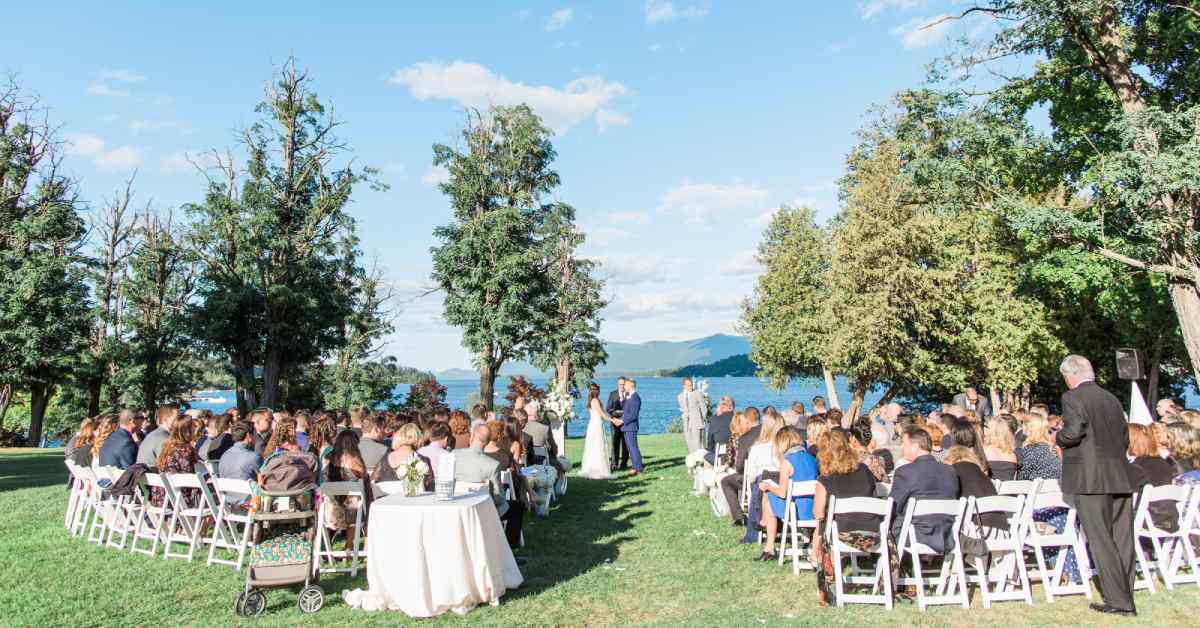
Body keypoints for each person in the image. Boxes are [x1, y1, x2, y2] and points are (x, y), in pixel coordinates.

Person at [1055, 355, 1137, 616]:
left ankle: (1118, 601)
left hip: (1090, 478)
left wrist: (1058, 435)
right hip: (1119, 474)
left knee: (1101, 539)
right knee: (1122, 538)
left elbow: (1074, 430)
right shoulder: (1111, 398)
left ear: (1070, 376)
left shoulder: (1073, 398)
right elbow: (1124, 435)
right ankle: (1126, 595)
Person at [811, 430, 888, 606]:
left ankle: (820, 567)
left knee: (821, 523)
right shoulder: (864, 471)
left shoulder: (825, 480)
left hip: (844, 535)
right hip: (873, 534)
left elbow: (818, 513)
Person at [455, 424, 525, 551]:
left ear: (471, 437)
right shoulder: (492, 465)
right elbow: (498, 497)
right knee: (517, 506)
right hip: (482, 511)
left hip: (457, 508)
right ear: (487, 442)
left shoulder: (454, 455)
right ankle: (509, 550)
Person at [888, 426, 959, 548]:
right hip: (946, 534)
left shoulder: (905, 472)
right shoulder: (950, 471)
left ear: (915, 447)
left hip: (915, 534)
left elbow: (893, 507)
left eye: (904, 444)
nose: (901, 447)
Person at [757, 426, 817, 561]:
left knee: (767, 497)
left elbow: (783, 493)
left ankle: (769, 546)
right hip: (813, 510)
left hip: (796, 511)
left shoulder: (787, 462)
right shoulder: (812, 458)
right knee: (770, 496)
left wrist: (768, 486)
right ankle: (764, 526)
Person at [721, 407, 762, 527]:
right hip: (774, 475)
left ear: (747, 420)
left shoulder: (746, 438)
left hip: (752, 479)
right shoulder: (768, 431)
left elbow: (739, 467)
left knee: (726, 481)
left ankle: (739, 517)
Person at [151, 420, 199, 506]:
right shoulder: (186, 449)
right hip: (177, 498)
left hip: (160, 496)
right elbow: (190, 476)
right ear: (187, 432)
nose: (196, 431)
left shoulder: (167, 446)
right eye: (194, 428)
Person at [373, 423, 435, 491]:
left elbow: (374, 482)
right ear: (418, 438)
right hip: (414, 500)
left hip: (386, 499)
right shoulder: (423, 460)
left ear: (399, 436)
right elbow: (430, 488)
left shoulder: (384, 459)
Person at [580, 383, 615, 479]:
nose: (599, 392)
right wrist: (612, 420)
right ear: (596, 391)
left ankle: (596, 467)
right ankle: (597, 469)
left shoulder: (593, 400)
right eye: (598, 390)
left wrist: (611, 416)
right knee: (597, 445)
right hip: (596, 425)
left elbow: (603, 413)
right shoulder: (595, 401)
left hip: (595, 424)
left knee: (596, 445)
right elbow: (601, 414)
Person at [615, 378, 644, 476]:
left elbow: (633, 415)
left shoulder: (635, 397)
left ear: (631, 386)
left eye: (626, 385)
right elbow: (627, 412)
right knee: (630, 448)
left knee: (633, 447)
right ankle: (635, 466)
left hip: (631, 427)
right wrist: (620, 420)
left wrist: (622, 421)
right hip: (626, 427)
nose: (624, 387)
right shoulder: (629, 396)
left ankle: (639, 468)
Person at [678, 377, 708, 453]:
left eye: (691, 385)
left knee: (698, 445)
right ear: (684, 386)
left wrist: (702, 419)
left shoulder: (697, 393)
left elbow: (703, 407)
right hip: (687, 424)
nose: (690, 387)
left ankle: (701, 460)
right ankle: (693, 460)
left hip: (697, 422)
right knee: (690, 444)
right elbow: (683, 409)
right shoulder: (680, 396)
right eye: (688, 385)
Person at [607, 377, 630, 470]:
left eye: (623, 384)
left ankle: (624, 464)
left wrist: (623, 416)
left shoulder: (629, 394)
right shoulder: (612, 394)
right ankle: (614, 464)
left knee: (625, 444)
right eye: (620, 384)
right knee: (615, 444)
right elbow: (609, 408)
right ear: (618, 384)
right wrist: (615, 416)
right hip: (615, 424)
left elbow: (630, 410)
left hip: (625, 423)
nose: (622, 386)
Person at [705, 396, 734, 465]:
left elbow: (710, 442)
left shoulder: (715, 419)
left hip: (720, 457)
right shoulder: (737, 419)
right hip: (735, 456)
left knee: (705, 456)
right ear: (731, 407)